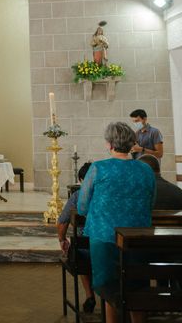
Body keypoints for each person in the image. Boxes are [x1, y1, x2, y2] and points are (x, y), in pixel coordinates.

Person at [78, 122, 156, 323]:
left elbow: (83, 206)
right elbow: (151, 203)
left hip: (104, 236)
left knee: (108, 286)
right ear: (132, 144)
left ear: (109, 144)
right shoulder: (146, 170)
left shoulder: (98, 168)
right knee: (136, 284)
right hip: (137, 237)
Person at [57, 162, 94, 313]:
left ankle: (89, 295)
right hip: (106, 244)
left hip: (83, 249)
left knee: (80, 250)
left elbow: (62, 222)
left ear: (80, 180)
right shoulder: (106, 195)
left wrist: (62, 239)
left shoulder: (77, 196)